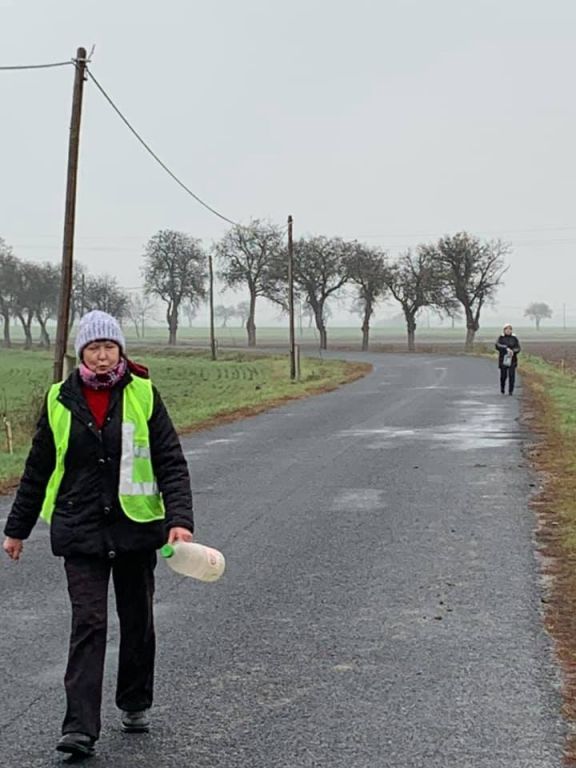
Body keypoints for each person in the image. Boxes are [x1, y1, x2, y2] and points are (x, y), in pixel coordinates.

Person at [2, 310, 194, 758]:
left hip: (135, 527)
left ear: (120, 351)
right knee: (88, 624)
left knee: (138, 620)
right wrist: (17, 529)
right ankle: (80, 728)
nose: (103, 355)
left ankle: (134, 702)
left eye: (110, 347)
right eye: (94, 348)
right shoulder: (58, 399)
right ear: (80, 353)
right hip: (80, 527)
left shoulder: (144, 394)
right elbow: (38, 468)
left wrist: (179, 520)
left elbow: (170, 461)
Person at [495, 323, 521, 395]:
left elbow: (518, 348)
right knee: (503, 376)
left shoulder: (514, 338)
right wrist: (506, 348)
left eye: (510, 329)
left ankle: (510, 391)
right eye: (506, 329)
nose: (508, 330)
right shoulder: (501, 337)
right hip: (503, 359)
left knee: (512, 375)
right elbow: (497, 345)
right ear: (504, 330)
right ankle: (502, 388)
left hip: (512, 359)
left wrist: (513, 351)